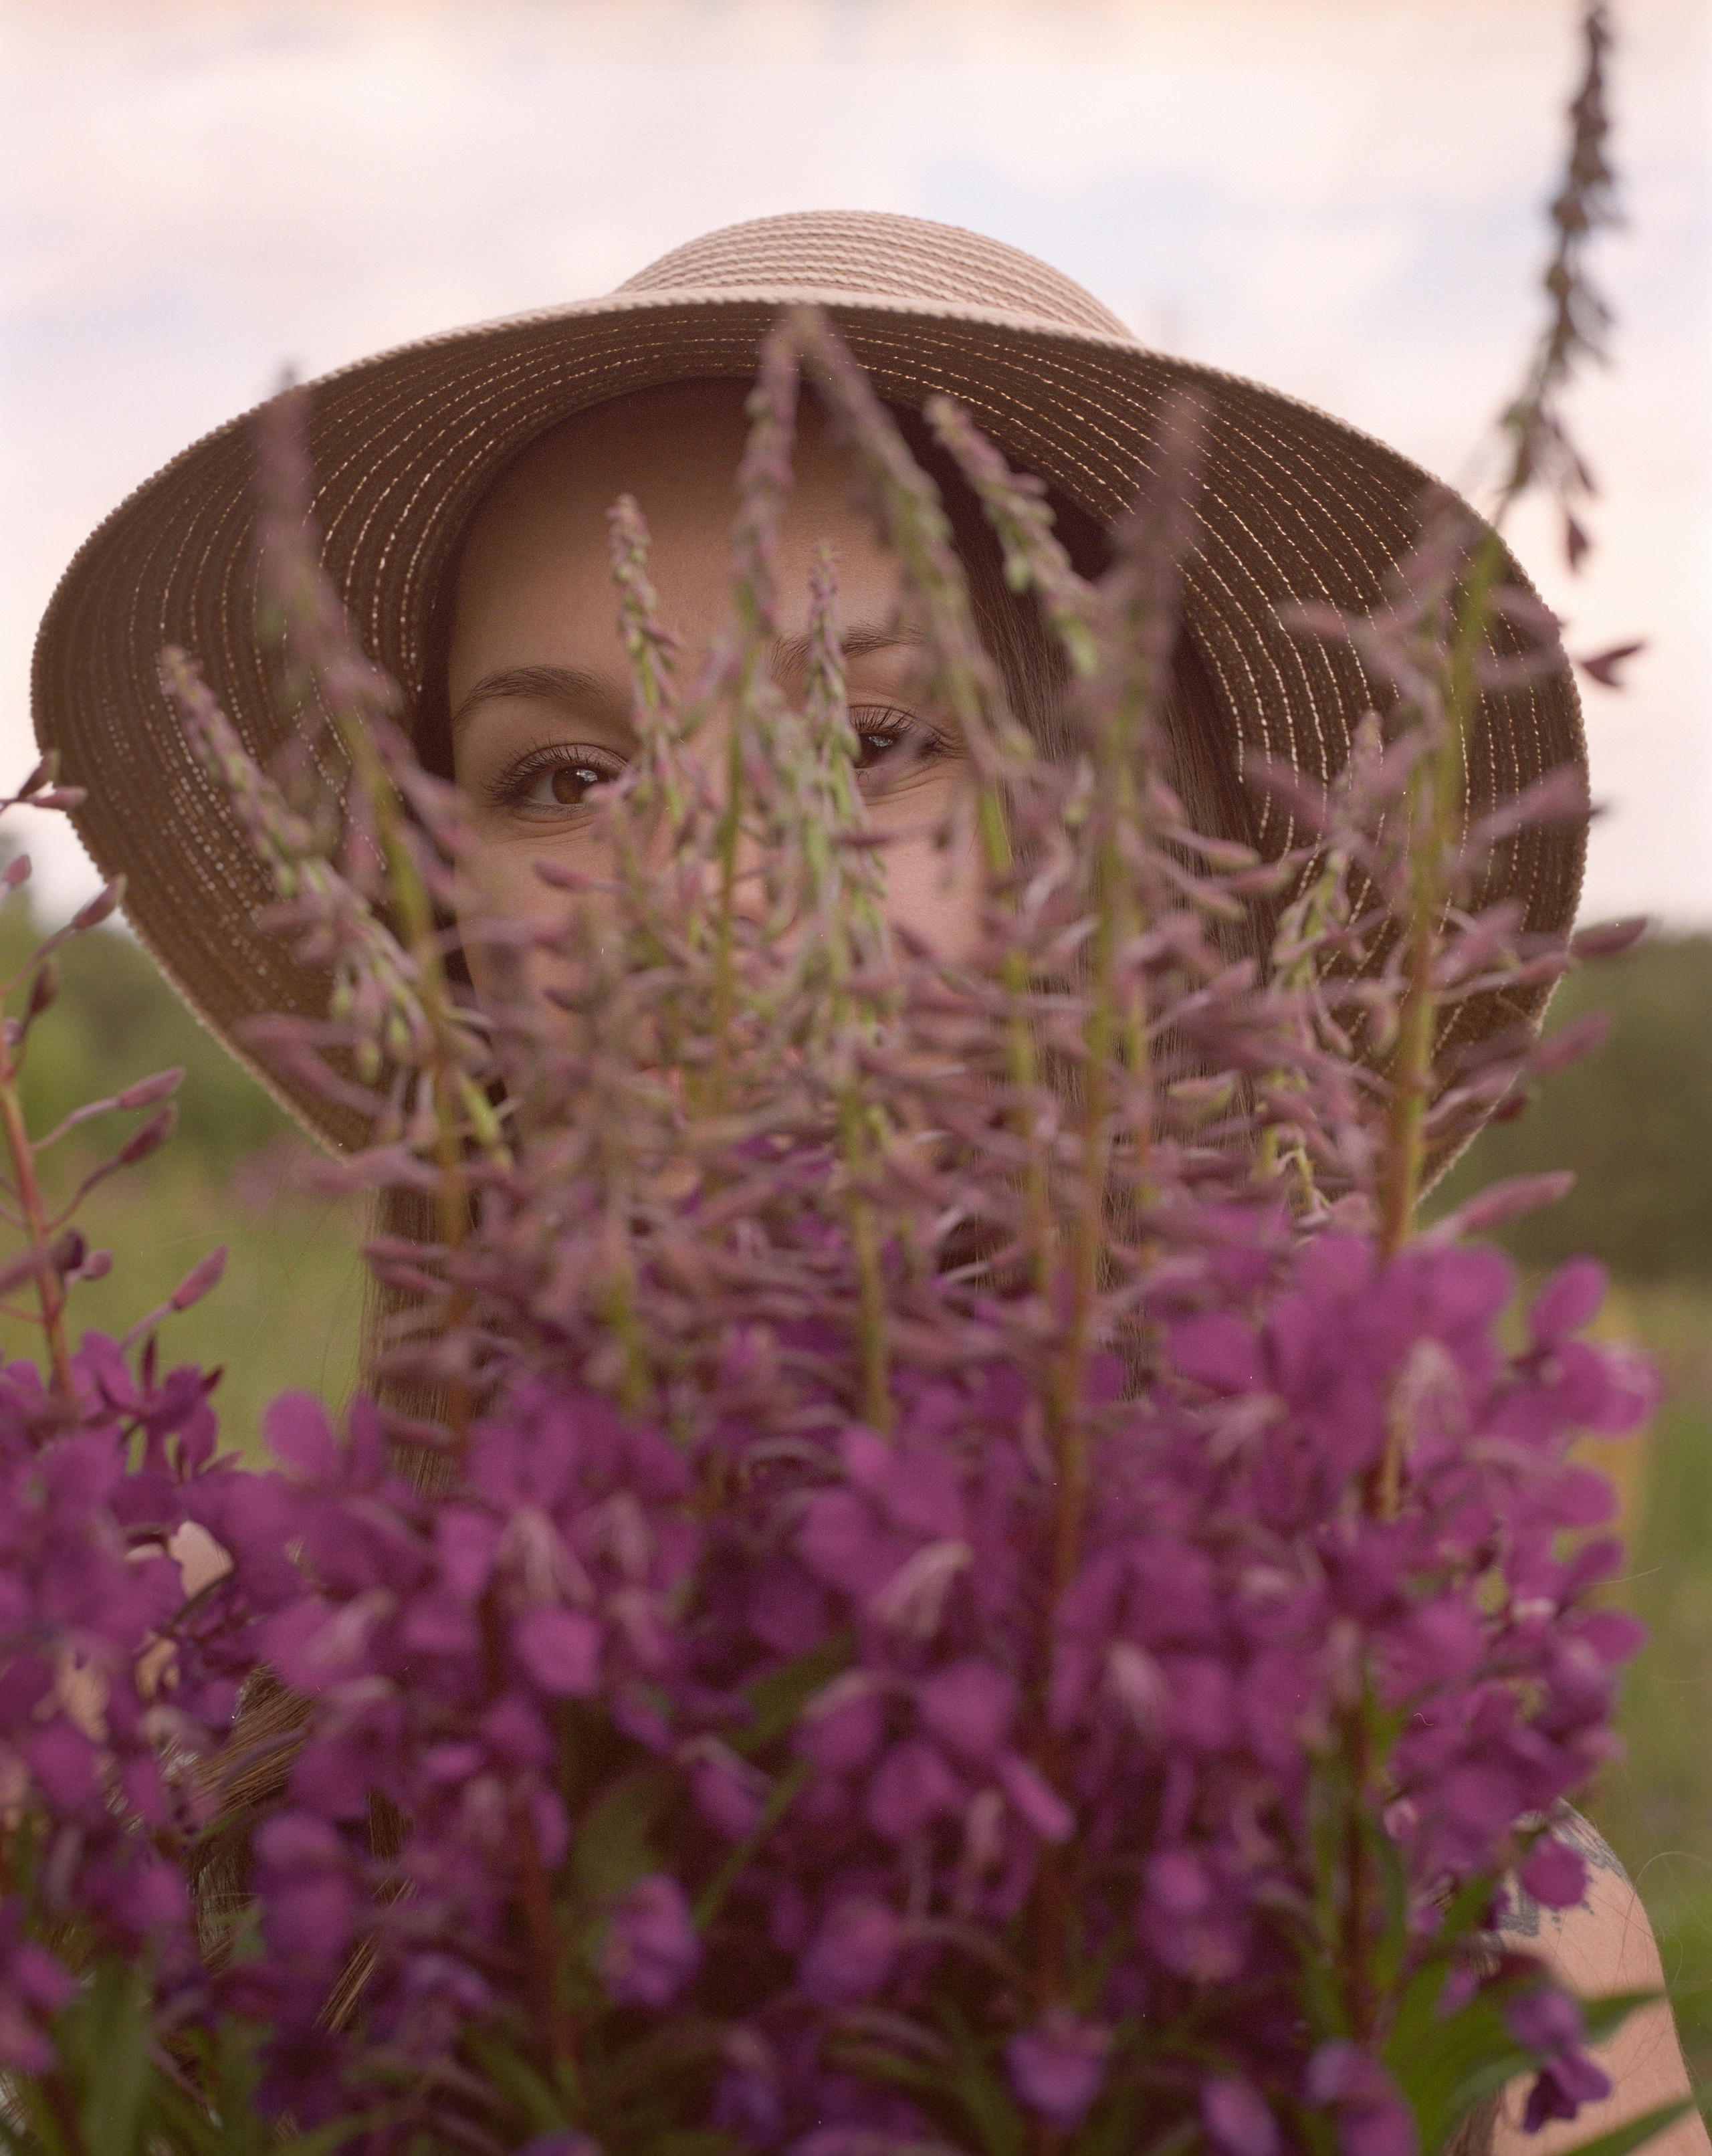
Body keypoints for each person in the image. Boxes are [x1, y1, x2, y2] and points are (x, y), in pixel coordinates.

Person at [31, 211, 1703, 2156]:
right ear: (447, 927)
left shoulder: (1444, 1899)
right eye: (563, 780)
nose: (712, 880)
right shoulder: (172, 1723)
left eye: (872, 740)